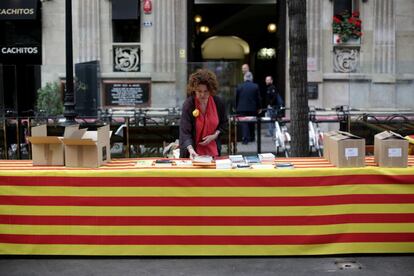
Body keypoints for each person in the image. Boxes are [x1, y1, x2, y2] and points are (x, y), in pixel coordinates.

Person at [179, 69, 228, 159]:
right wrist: (190, 149)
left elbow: (224, 124)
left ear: (211, 90)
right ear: (194, 90)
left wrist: (214, 136)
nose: (202, 95)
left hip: (213, 152)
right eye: (199, 91)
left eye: (206, 91)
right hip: (192, 153)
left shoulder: (218, 103)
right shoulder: (189, 104)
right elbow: (185, 132)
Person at [235, 72, 261, 144]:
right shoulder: (255, 86)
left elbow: (237, 98)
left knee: (244, 123)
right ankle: (252, 137)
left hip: (241, 108)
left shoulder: (240, 86)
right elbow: (258, 98)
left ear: (244, 78)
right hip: (252, 108)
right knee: (251, 122)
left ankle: (245, 138)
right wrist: (259, 107)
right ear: (251, 78)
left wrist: (236, 107)